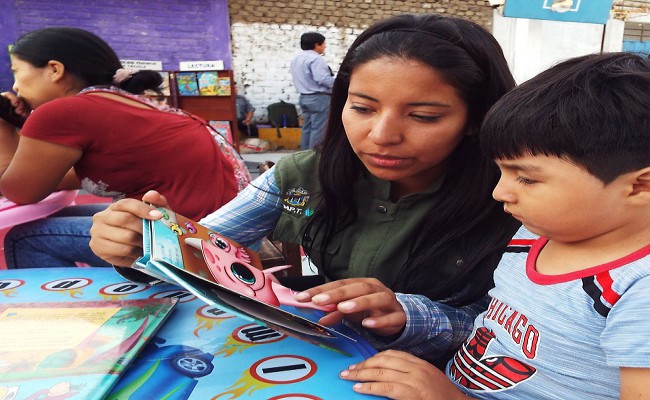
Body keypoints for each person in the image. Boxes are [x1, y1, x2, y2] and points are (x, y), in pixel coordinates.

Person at [89, 13, 521, 362]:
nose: (381, 135)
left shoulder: (516, 198)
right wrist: (141, 246)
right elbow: (205, 251)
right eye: (363, 107)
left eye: (424, 116)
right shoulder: (302, 178)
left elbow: (526, 333)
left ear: (476, 119)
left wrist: (410, 316)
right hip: (314, 360)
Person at [334, 51, 650, 399]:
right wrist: (408, 315)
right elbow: (501, 336)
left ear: (642, 186)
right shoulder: (534, 237)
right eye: (501, 172)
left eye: (527, 178)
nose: (500, 192)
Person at [0, 27, 250, 269]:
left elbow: (19, 192)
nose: (15, 87)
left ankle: (59, 310)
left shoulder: (63, 112)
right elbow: (51, 178)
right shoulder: (125, 103)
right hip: (227, 232)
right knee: (56, 217)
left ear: (54, 70)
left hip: (195, 248)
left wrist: (3, 123)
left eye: (17, 72)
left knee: (25, 238)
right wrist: (20, 125)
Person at [290, 31, 334, 149]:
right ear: (316, 45)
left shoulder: (297, 59)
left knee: (307, 128)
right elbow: (322, 79)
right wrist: (338, 84)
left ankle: (304, 155)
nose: (324, 47)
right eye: (323, 44)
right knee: (319, 129)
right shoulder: (316, 59)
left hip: (304, 97)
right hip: (319, 97)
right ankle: (314, 157)